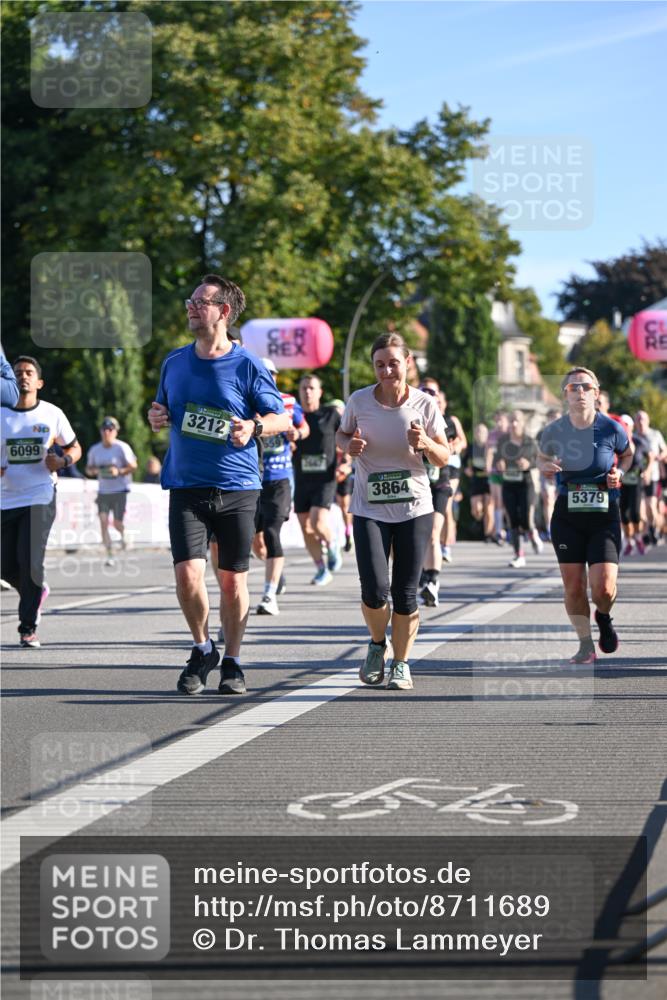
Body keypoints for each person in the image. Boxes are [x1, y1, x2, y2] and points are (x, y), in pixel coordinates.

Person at [148, 274, 288, 696]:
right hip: (187, 485)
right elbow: (162, 410)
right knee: (188, 577)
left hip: (238, 486)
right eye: (190, 301)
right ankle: (202, 647)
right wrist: (156, 417)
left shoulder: (248, 364)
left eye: (201, 302)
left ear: (224, 312)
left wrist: (256, 426)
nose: (191, 307)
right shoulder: (174, 362)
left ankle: (233, 660)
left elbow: (282, 419)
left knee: (232, 582)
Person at [336, 333, 449, 691]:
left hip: (415, 506)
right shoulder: (358, 401)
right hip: (369, 506)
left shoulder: (425, 404)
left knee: (404, 592)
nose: (387, 370)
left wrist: (426, 443)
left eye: (394, 363)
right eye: (380, 364)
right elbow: (340, 436)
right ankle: (375, 643)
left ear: (408, 363)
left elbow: (444, 457)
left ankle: (400, 663)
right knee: (374, 588)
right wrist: (348, 445)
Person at [538, 367, 633, 664]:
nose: (580, 391)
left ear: (596, 393)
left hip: (604, 514)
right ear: (565, 394)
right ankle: (584, 644)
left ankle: (603, 616)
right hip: (567, 514)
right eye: (573, 387)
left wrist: (621, 472)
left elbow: (628, 455)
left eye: (585, 387)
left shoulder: (611, 428)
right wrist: (546, 466)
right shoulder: (554, 430)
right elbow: (541, 458)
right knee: (574, 586)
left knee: (603, 589)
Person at [1, 355, 81, 647]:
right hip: (5, 499)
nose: (23, 376)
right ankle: (36, 592)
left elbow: (74, 447)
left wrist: (62, 460)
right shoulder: (1, 414)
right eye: (18, 372)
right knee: (6, 567)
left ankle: (27, 627)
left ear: (39, 382)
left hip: (40, 495)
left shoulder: (51, 413)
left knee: (30, 562)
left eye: (29, 372)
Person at [252, 356, 309, 616]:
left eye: (272, 374)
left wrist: (298, 433)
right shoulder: (246, 401)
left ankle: (268, 594)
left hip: (280, 477)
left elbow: (303, 426)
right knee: (256, 542)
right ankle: (277, 573)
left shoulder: (288, 401)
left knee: (272, 532)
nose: (269, 378)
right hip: (252, 480)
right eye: (264, 374)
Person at [292, 374, 342, 585]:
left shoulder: (331, 414)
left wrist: (346, 462)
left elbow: (346, 436)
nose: (307, 391)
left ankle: (332, 544)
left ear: (320, 392)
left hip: (325, 478)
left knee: (317, 521)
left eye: (312, 387)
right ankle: (321, 568)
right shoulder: (294, 416)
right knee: (306, 527)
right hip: (302, 478)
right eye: (304, 388)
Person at [416, 377, 456, 607]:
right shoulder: (409, 419)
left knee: (433, 532)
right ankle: (420, 576)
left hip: (440, 482)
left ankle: (433, 582)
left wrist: (455, 446)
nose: (429, 395)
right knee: (414, 537)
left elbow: (458, 441)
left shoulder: (446, 421)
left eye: (433, 391)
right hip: (416, 484)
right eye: (424, 391)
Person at [489, 409, 542, 568]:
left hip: (526, 484)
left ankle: (532, 533)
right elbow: (496, 459)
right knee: (513, 520)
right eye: (511, 420)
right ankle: (519, 555)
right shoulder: (503, 441)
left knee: (526, 519)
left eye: (517, 420)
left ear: (523, 423)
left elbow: (538, 461)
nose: (514, 424)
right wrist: (499, 464)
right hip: (508, 484)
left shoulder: (529, 441)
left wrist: (529, 464)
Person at [85, 417, 138, 565]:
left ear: (116, 431)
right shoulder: (95, 450)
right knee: (103, 521)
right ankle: (109, 555)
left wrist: (119, 471)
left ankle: (124, 534)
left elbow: (133, 466)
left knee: (116, 523)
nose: (107, 432)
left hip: (120, 490)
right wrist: (93, 471)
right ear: (101, 431)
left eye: (111, 429)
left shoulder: (122, 447)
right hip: (103, 492)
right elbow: (88, 469)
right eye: (104, 429)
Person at [618, 414, 653, 557]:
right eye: (622, 425)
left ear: (631, 427)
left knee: (635, 513)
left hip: (636, 479)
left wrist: (647, 471)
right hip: (621, 481)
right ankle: (629, 540)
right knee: (623, 514)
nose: (624, 428)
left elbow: (649, 456)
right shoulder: (616, 441)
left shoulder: (639, 441)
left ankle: (638, 536)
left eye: (627, 425)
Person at [634, 410, 667, 547]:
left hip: (654, 476)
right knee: (641, 510)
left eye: (643, 419)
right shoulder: (634, 437)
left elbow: (665, 450)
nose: (641, 422)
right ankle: (648, 531)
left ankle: (655, 529)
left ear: (648, 421)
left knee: (652, 508)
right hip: (638, 478)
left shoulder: (655, 434)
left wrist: (660, 457)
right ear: (635, 422)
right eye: (638, 419)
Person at [463, 422, 494, 542]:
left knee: (489, 508)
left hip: (489, 480)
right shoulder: (471, 448)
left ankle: (488, 535)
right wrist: (467, 469)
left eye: (483, 432)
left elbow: (499, 463)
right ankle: (480, 523)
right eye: (478, 431)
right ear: (475, 434)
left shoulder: (490, 448)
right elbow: (465, 462)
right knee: (476, 510)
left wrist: (492, 468)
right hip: (476, 479)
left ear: (487, 434)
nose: (480, 434)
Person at [537, 408, 562, 540]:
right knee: (548, 499)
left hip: (562, 471)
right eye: (552, 417)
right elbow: (538, 455)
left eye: (557, 417)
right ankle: (549, 529)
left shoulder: (567, 432)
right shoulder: (542, 434)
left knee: (561, 500)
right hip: (547, 470)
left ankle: (561, 527)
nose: (554, 420)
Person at [486, 410, 509, 543]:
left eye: (502, 420)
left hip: (508, 472)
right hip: (495, 471)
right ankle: (499, 530)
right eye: (497, 420)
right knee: (496, 500)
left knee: (504, 501)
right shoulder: (492, 434)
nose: (499, 423)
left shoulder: (509, 434)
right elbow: (488, 451)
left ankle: (508, 528)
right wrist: (488, 465)